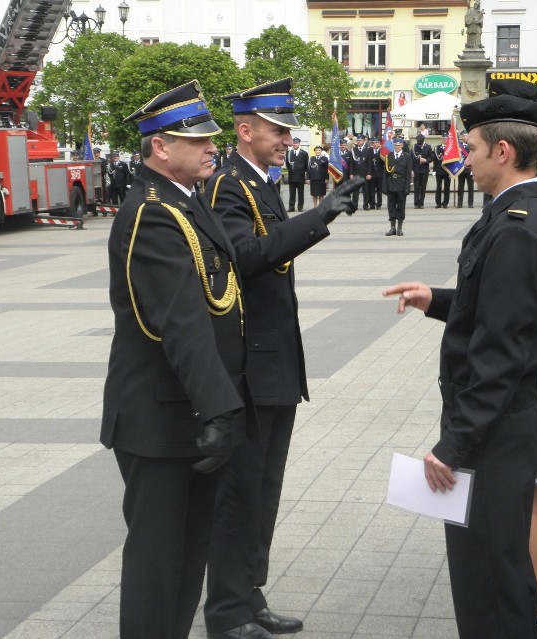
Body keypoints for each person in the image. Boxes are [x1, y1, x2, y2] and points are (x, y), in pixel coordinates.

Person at [383, 84, 537, 639]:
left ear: (503, 152)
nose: (464, 157)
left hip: (495, 425)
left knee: (489, 572)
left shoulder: (517, 226)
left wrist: (456, 444)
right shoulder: (530, 209)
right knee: (498, 564)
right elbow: (505, 309)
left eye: (471, 147)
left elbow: (500, 349)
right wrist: (437, 300)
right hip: (508, 415)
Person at [203, 77, 359, 639]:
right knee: (240, 493)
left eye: (288, 130)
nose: (286, 139)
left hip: (273, 361)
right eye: (277, 129)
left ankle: (250, 594)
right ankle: (225, 610)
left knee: (264, 490)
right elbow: (246, 257)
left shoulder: (259, 182)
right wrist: (318, 218)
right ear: (245, 130)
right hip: (250, 365)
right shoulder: (228, 185)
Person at [100, 79, 248, 639]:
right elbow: (181, 321)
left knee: (189, 556)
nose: (214, 146)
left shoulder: (185, 202)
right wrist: (219, 410)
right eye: (200, 139)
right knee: (159, 566)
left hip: (191, 412)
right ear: (161, 147)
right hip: (163, 419)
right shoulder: (152, 213)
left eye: (212, 137)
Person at [385, 136, 413, 236]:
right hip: (391, 184)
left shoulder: (407, 156)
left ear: (402, 146)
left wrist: (407, 187)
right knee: (391, 206)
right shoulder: (389, 156)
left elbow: (408, 173)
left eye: (399, 145)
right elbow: (386, 173)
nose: (397, 147)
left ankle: (399, 227)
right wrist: (385, 187)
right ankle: (392, 227)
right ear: (393, 146)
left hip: (401, 185)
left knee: (401, 206)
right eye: (395, 145)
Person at [285, 137, 308, 212]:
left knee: (301, 193)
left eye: (296, 143)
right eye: (294, 143)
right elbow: (287, 164)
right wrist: (291, 170)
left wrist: (303, 173)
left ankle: (300, 207)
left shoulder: (304, 153)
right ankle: (291, 207)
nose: (295, 144)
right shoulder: (289, 153)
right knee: (292, 193)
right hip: (291, 176)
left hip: (300, 176)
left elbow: (306, 165)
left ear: (299, 144)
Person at [411, 133, 433, 209]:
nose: (419, 145)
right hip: (416, 170)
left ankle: (421, 203)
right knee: (416, 187)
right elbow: (411, 159)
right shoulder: (414, 147)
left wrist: (426, 160)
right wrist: (411, 170)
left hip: (424, 170)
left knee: (423, 187)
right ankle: (416, 203)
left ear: (423, 141)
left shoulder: (428, 147)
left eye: (420, 144)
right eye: (418, 144)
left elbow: (431, 158)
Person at [350, 134, 371, 210]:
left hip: (365, 173)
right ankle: (355, 205)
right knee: (355, 191)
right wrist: (351, 173)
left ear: (364, 141)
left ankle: (365, 205)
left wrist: (369, 173)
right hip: (356, 173)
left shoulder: (368, 149)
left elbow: (369, 163)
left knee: (366, 190)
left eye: (360, 140)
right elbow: (351, 163)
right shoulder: (354, 150)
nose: (358, 142)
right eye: (358, 140)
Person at [456, 131, 475, 207]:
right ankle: (459, 203)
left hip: (469, 169)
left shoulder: (472, 146)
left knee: (470, 187)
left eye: (466, 136)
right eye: (463, 136)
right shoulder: (459, 146)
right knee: (460, 188)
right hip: (460, 169)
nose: (464, 137)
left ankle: (470, 203)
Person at [433, 134, 450, 208]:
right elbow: (435, 160)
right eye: (443, 138)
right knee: (438, 188)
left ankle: (445, 203)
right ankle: (438, 203)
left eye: (446, 138)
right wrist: (434, 170)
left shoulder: (450, 148)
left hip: (447, 170)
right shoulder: (437, 148)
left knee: (447, 188)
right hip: (439, 170)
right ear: (441, 139)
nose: (444, 139)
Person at [368, 136, 385, 210]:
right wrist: (368, 173)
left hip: (380, 174)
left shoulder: (382, 151)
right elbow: (368, 163)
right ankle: (372, 204)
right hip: (372, 174)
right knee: (371, 190)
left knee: (379, 190)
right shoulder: (370, 151)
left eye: (376, 142)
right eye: (373, 142)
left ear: (379, 143)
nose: (374, 144)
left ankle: (379, 204)